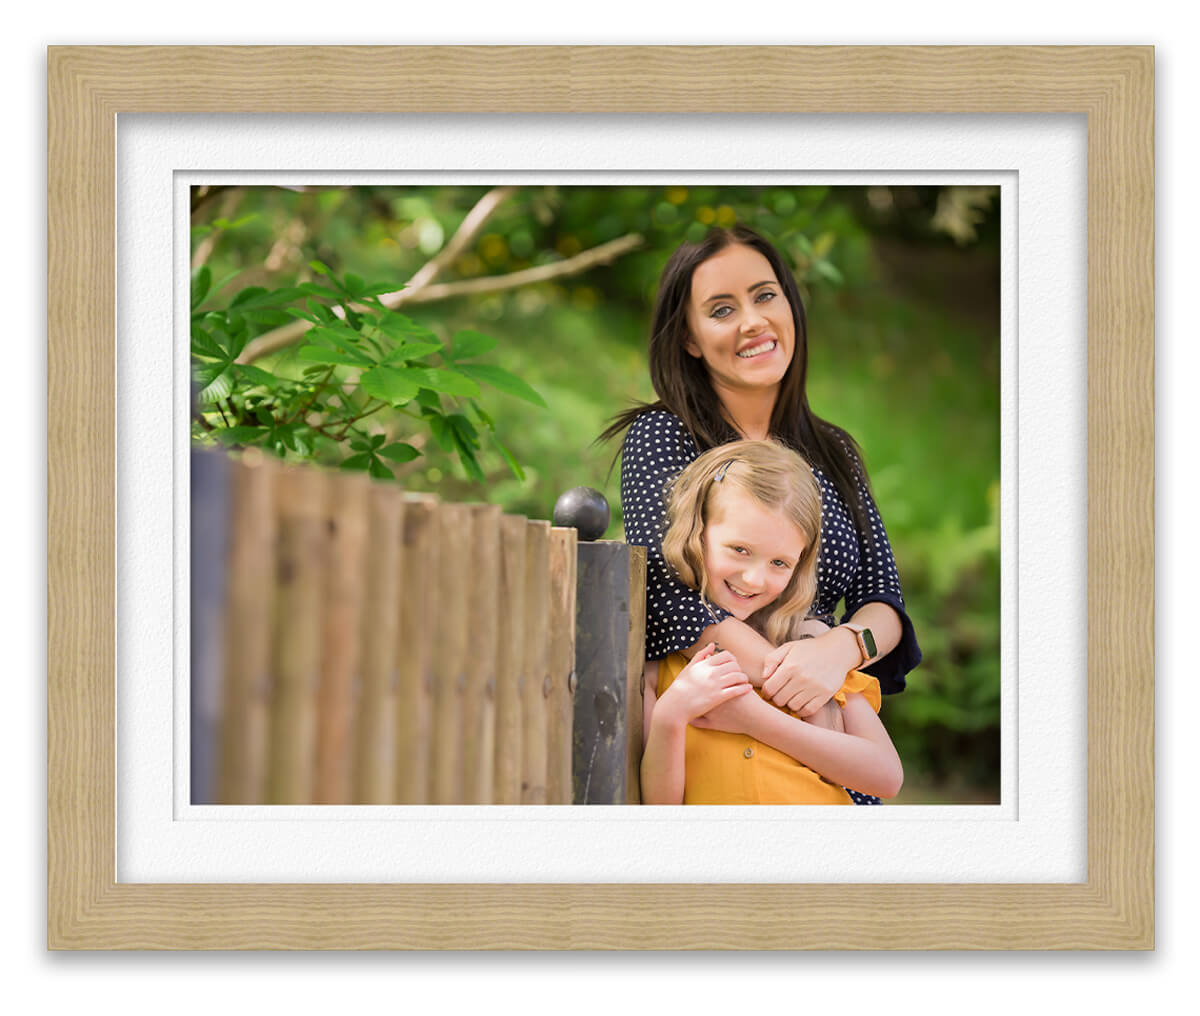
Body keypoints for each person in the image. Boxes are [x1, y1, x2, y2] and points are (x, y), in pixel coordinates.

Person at [602, 224, 921, 804]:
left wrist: (837, 652)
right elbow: (667, 587)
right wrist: (789, 688)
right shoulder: (663, 435)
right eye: (722, 309)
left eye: (765, 295)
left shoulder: (835, 451)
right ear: (690, 338)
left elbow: (885, 599)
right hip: (722, 715)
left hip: (830, 744)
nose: (752, 320)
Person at [640, 440, 903, 805]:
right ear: (697, 532)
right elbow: (659, 810)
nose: (753, 579)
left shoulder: (811, 654)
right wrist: (672, 714)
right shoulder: (666, 664)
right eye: (740, 550)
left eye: (779, 563)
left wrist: (755, 719)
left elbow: (885, 777)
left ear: (799, 566)